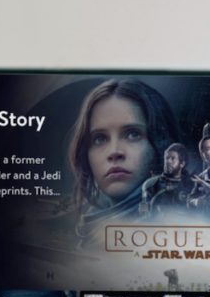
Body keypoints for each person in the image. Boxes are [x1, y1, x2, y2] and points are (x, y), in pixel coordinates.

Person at [64, 76, 176, 236]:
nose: (114, 151)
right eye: (99, 138)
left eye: (132, 134)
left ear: (160, 142)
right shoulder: (88, 227)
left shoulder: (180, 218)